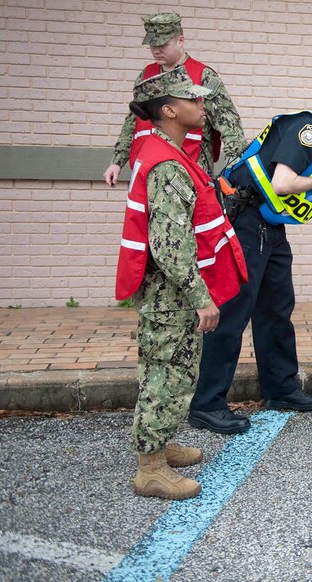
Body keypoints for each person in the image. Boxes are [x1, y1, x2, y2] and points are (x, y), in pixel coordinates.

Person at [188, 81, 312, 434]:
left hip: (269, 228)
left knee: (277, 307)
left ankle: (280, 388)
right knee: (234, 313)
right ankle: (207, 404)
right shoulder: (310, 129)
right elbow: (281, 182)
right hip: (245, 220)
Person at [115, 69, 247, 499]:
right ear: (169, 110)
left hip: (169, 293)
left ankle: (160, 444)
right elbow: (169, 245)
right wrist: (200, 298)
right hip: (170, 295)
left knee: (170, 369)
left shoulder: (164, 151)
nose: (202, 105)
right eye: (192, 100)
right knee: (167, 374)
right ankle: (150, 467)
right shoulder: (167, 164)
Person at [103, 12, 245, 185]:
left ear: (180, 41)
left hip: (192, 174)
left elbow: (231, 128)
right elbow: (133, 122)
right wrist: (116, 162)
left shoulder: (203, 77)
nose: (156, 50)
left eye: (163, 44)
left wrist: (234, 173)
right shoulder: (146, 77)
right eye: (152, 44)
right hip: (149, 173)